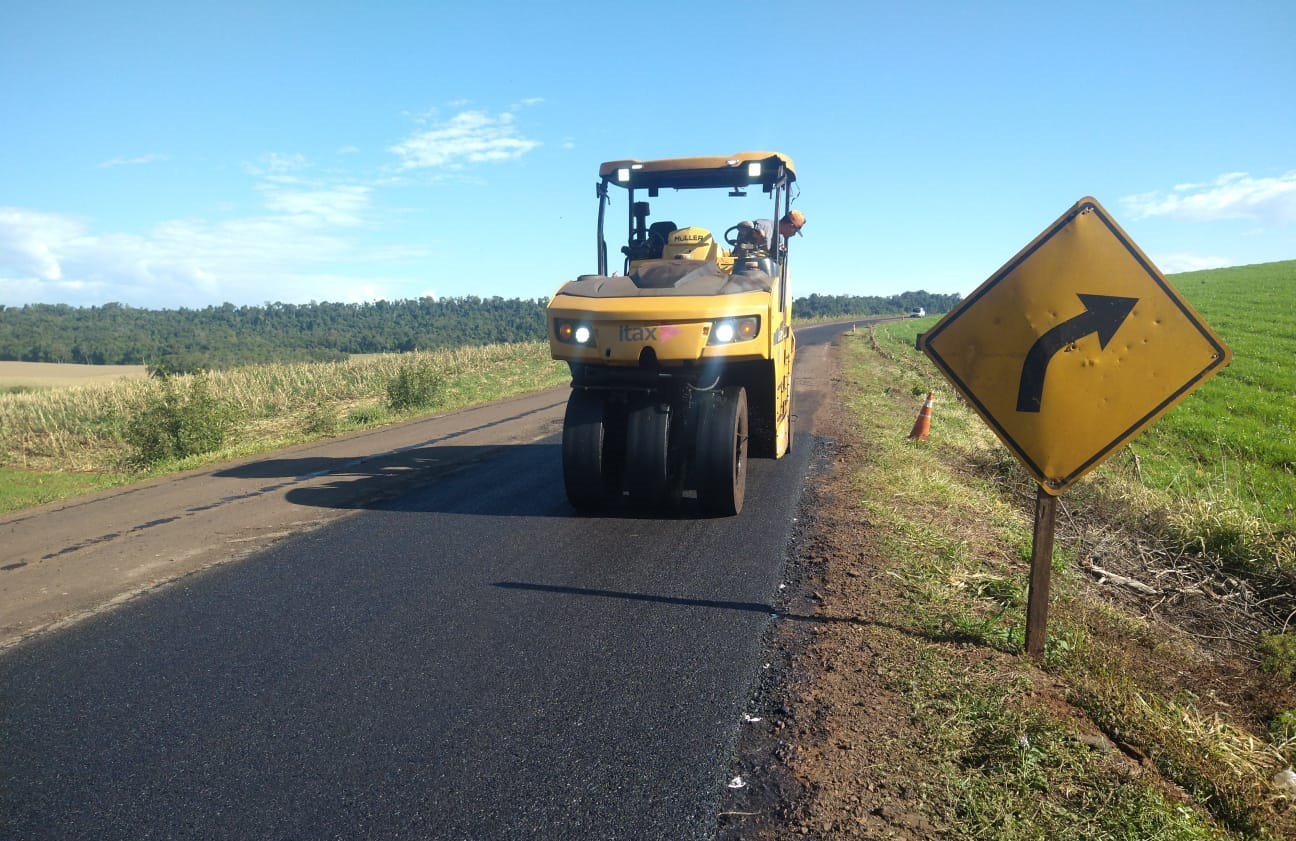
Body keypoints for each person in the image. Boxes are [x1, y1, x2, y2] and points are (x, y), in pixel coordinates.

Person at [735, 210, 806, 257]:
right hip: (745, 269)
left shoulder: (779, 239)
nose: (793, 234)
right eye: (795, 231)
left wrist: (780, 253)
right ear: (790, 226)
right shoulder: (763, 226)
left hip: (764, 270)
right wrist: (757, 240)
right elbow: (742, 247)